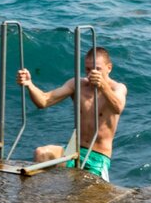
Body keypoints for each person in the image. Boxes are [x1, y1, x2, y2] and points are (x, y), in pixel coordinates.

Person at [17, 47, 127, 182]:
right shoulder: (77, 85)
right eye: (87, 69)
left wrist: (103, 86)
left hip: (98, 157)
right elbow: (44, 101)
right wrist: (29, 85)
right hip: (74, 151)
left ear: (109, 68)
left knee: (87, 195)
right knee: (41, 153)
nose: (92, 73)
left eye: (97, 69)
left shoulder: (118, 88)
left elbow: (118, 108)